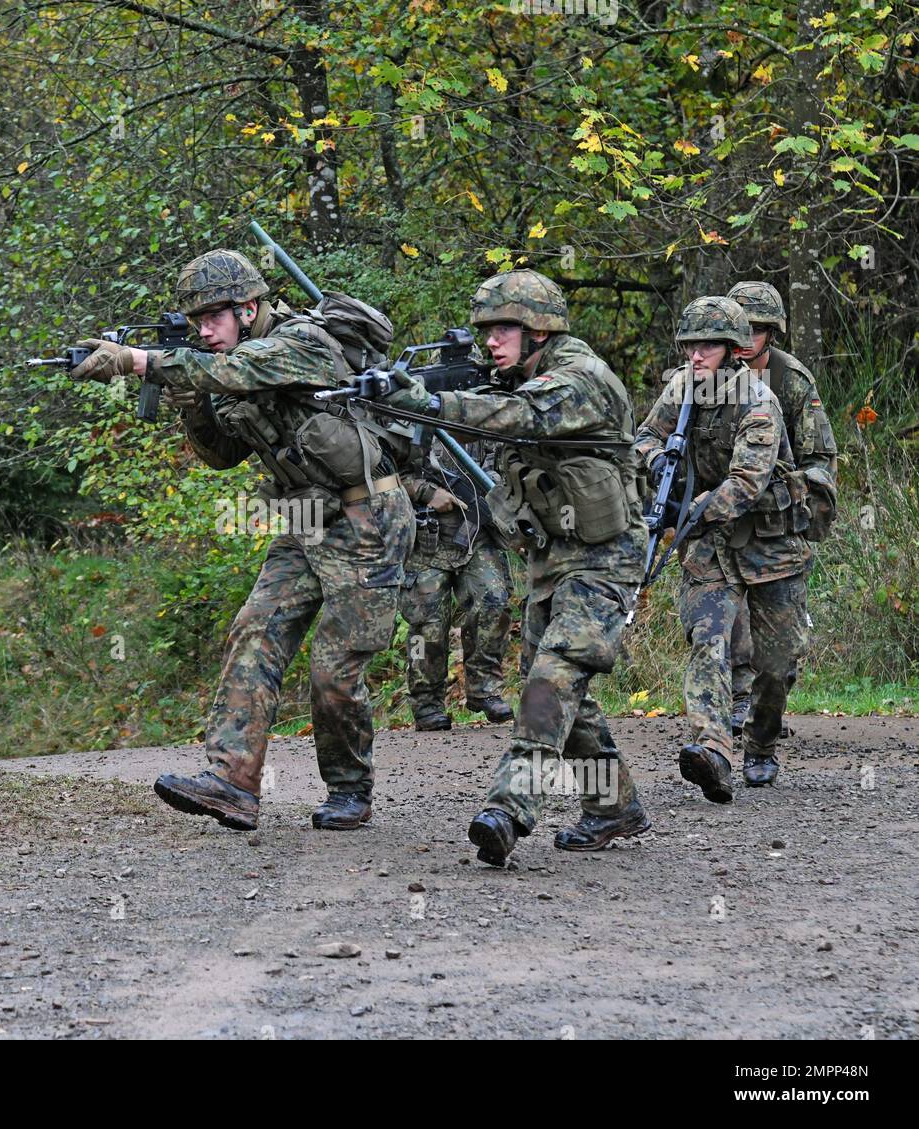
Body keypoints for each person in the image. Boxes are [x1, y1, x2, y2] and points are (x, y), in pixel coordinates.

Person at [68, 249, 414, 831]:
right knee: (256, 627)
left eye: (213, 318)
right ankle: (233, 782)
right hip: (306, 517)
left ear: (249, 308)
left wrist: (136, 361)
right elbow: (222, 457)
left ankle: (350, 789)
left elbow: (238, 371)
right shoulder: (223, 362)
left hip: (367, 518)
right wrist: (191, 406)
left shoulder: (297, 342)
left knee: (334, 667)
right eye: (197, 321)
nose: (204, 331)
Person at [380, 270, 650, 865]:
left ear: (539, 330)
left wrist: (429, 402)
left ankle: (511, 806)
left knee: (548, 681)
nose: (491, 342)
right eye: (486, 330)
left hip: (605, 559)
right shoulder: (514, 377)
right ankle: (614, 808)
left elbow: (519, 416)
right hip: (552, 558)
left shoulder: (581, 379)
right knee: (559, 687)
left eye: (504, 328)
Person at [634, 296, 810, 802]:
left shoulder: (758, 400)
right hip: (710, 546)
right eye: (690, 344)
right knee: (707, 641)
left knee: (776, 665)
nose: (696, 354)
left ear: (732, 349)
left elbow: (746, 483)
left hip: (769, 542)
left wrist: (691, 507)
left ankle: (760, 744)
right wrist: (660, 466)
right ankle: (712, 748)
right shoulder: (680, 389)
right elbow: (644, 437)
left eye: (708, 344)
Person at [724, 281, 838, 767]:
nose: (750, 337)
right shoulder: (703, 376)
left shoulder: (791, 379)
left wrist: (783, 489)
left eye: (760, 329)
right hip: (722, 525)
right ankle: (724, 723)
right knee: (718, 633)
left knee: (779, 656)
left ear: (773, 332)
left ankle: (761, 731)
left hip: (774, 525)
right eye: (743, 328)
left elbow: (819, 458)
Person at [400, 430, 514, 731]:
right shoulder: (413, 420)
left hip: (479, 531)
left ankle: (484, 689)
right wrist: (425, 491)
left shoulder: (490, 414)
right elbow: (381, 476)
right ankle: (426, 703)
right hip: (427, 538)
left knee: (493, 600)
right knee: (427, 623)